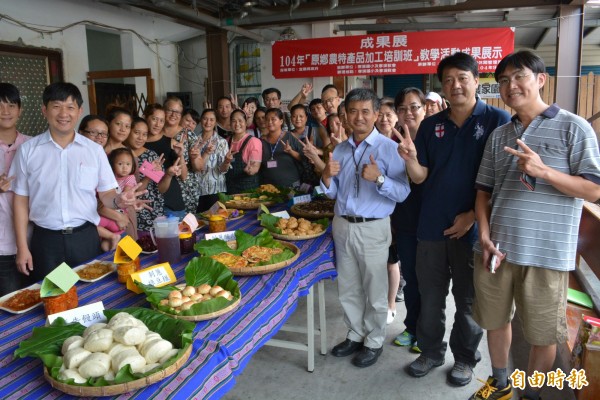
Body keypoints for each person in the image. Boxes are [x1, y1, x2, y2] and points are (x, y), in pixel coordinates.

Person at [469, 50, 600, 400]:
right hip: (498, 250)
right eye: (503, 81)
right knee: (495, 320)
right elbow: (482, 191)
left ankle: (530, 393)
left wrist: (544, 171)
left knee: (543, 334)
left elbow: (593, 189)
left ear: (540, 80)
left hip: (547, 255)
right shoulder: (498, 136)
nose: (511, 86)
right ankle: (500, 383)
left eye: (519, 76)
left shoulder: (574, 127)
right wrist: (483, 234)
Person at [397, 52, 511, 386]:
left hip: (475, 231)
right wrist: (410, 159)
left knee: (468, 300)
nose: (455, 85)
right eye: (448, 80)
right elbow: (420, 177)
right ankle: (431, 352)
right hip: (431, 226)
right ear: (441, 87)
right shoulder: (432, 125)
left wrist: (472, 219)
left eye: (462, 77)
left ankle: (464, 359)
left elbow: (503, 183)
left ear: (477, 80)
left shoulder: (497, 121)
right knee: (430, 296)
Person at [10, 82, 147, 282]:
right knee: (53, 299)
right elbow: (20, 201)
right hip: (46, 241)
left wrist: (119, 200)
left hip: (85, 237)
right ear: (44, 110)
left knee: (91, 295)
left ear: (79, 111)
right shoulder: (28, 150)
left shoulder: (94, 150)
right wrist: (22, 247)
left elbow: (107, 195)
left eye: (70, 107)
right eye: (56, 106)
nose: (63, 113)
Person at [322, 88, 410, 368]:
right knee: (348, 287)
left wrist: (380, 178)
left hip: (373, 227)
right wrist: (325, 176)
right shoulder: (339, 149)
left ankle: (374, 340)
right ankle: (355, 333)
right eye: (353, 111)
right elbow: (332, 193)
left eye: (365, 111)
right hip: (342, 224)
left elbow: (403, 192)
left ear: (375, 114)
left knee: (374, 288)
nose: (358, 117)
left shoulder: (389, 149)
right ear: (345, 115)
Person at [390, 87, 427, 353]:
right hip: (404, 219)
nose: (408, 113)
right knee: (412, 278)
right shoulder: (391, 143)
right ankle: (412, 327)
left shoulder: (436, 138)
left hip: (434, 219)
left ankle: (428, 333)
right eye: (402, 109)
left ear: (424, 108)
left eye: (414, 106)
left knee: (432, 280)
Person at [0, 83, 31, 296]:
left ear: (19, 110)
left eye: (11, 105)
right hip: (2, 249)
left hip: (34, 242)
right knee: (10, 308)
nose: (5, 111)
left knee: (43, 302)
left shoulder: (33, 146)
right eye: (0, 106)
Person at [375, 98, 402, 324]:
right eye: (380, 114)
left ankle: (391, 302)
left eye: (389, 115)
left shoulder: (401, 143)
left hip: (395, 210)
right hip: (374, 211)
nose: (384, 119)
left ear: (397, 118)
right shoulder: (368, 143)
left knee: (391, 260)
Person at [143, 103, 187, 220]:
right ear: (145, 118)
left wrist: (180, 155)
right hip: (147, 205)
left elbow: (184, 176)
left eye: (161, 121)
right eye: (154, 119)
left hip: (172, 201)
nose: (158, 124)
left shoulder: (171, 142)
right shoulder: (138, 144)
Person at [162, 97, 202, 214]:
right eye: (170, 110)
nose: (174, 114)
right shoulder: (156, 133)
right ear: (163, 111)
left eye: (177, 112)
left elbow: (199, 167)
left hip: (185, 188)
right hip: (162, 186)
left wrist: (194, 158)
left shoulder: (189, 135)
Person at [195, 108, 230, 211]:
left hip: (215, 191)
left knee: (215, 222)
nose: (208, 122)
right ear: (201, 120)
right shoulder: (194, 140)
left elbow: (223, 170)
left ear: (215, 122)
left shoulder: (221, 142)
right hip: (196, 190)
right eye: (205, 119)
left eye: (211, 120)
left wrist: (227, 162)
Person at [260, 108, 304, 188]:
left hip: (291, 185)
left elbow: (304, 158)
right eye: (267, 119)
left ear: (281, 121)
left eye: (273, 119)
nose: (270, 122)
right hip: (268, 188)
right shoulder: (260, 141)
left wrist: (291, 151)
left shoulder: (290, 136)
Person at [99, 147, 138, 235]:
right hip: (109, 209)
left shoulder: (130, 178)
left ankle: (112, 236)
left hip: (121, 210)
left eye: (128, 164)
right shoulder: (110, 177)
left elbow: (126, 195)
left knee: (103, 224)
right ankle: (111, 238)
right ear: (112, 165)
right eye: (120, 164)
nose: (125, 168)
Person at [226, 109, 262, 194]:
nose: (237, 124)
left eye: (240, 121)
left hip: (248, 190)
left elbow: (255, 167)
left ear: (246, 123)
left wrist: (251, 170)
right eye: (234, 121)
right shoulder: (225, 141)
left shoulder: (254, 141)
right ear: (230, 124)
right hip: (229, 189)